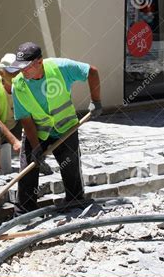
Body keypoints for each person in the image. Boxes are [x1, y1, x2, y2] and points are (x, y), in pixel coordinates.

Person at [11, 42, 103, 215]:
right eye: (19, 67)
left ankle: (75, 203)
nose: (22, 71)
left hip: (65, 128)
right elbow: (26, 119)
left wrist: (96, 100)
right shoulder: (19, 85)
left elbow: (91, 71)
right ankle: (24, 212)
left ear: (39, 62)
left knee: (70, 166)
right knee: (28, 169)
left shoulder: (60, 68)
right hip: (37, 132)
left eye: (26, 67)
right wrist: (36, 146)